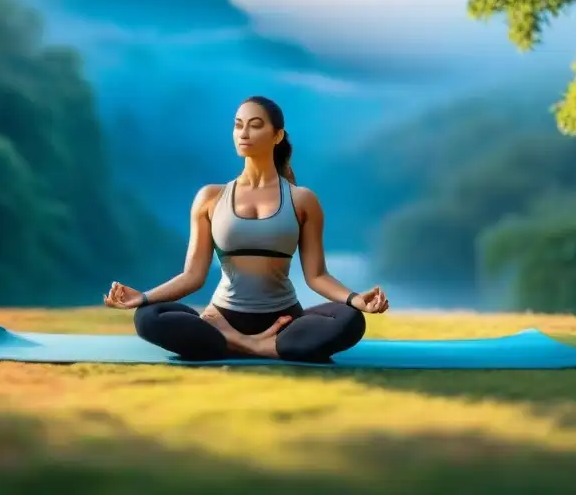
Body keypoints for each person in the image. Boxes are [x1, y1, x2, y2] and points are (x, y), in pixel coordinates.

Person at [103, 95, 390, 362]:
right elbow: (192, 275)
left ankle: (236, 344)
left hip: (283, 322)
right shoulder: (210, 197)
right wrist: (143, 297)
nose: (244, 133)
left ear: (277, 135)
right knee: (148, 317)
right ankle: (262, 347)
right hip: (223, 318)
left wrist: (355, 299)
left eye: (255, 126)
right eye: (238, 126)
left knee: (350, 319)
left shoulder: (302, 200)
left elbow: (316, 276)